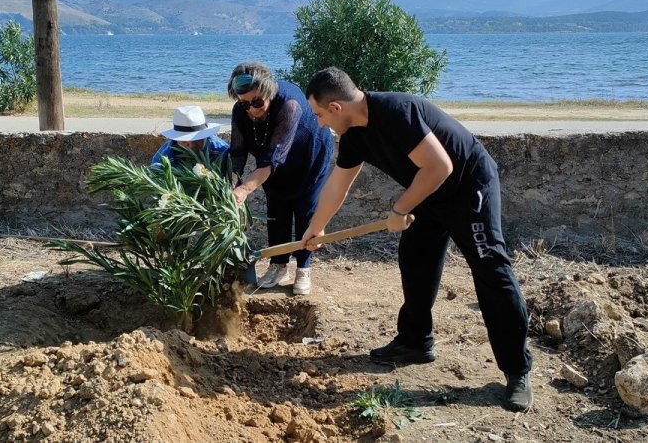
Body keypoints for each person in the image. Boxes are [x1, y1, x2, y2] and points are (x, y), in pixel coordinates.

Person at [300, 67, 533, 412]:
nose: (319, 123)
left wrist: (399, 208)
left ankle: (517, 372)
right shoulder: (354, 136)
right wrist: (316, 228)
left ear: (336, 107)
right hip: (429, 192)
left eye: (319, 115)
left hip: (469, 186)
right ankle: (415, 342)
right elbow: (338, 185)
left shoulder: (396, 111)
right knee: (416, 258)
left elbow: (440, 166)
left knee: (491, 271)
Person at [227, 62, 334, 295]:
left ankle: (304, 268)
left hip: (309, 158)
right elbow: (237, 155)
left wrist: (244, 190)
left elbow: (270, 162)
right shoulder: (241, 111)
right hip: (273, 163)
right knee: (276, 209)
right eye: (244, 103)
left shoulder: (289, 106)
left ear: (268, 93)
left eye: (257, 103)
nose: (252, 110)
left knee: (305, 210)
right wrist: (230, 186)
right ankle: (278, 265)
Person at [152, 105, 229, 168]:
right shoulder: (164, 156)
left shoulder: (222, 151)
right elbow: (155, 174)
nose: (191, 144)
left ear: (206, 136)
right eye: (184, 139)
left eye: (196, 138)